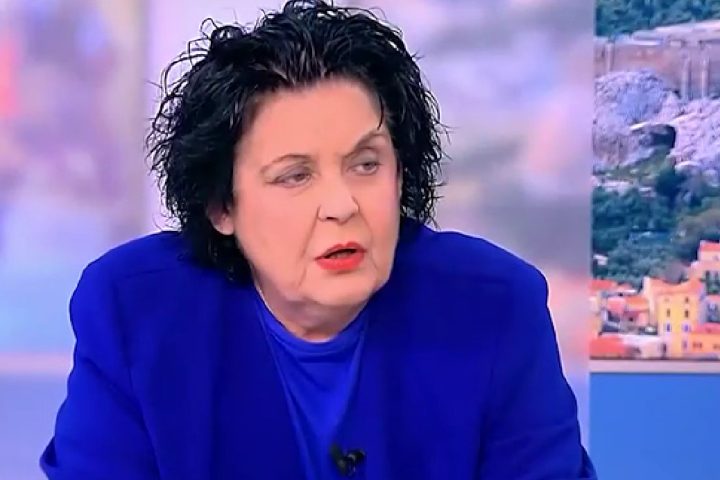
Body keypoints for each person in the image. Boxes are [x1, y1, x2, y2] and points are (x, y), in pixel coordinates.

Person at [40, 1, 596, 478]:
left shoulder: (495, 307)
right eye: (295, 175)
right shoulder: (135, 312)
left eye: (366, 164)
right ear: (222, 206)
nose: (342, 205)